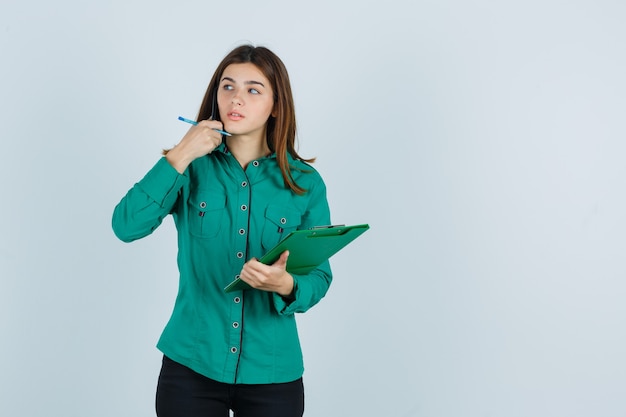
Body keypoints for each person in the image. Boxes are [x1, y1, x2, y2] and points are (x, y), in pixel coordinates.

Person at [112, 44, 333, 417]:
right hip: (191, 367)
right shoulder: (189, 167)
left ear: (276, 105)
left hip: (273, 373)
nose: (236, 98)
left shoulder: (305, 183)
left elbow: (319, 276)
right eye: (227, 86)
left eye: (253, 89)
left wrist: (285, 285)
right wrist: (181, 153)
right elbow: (126, 226)